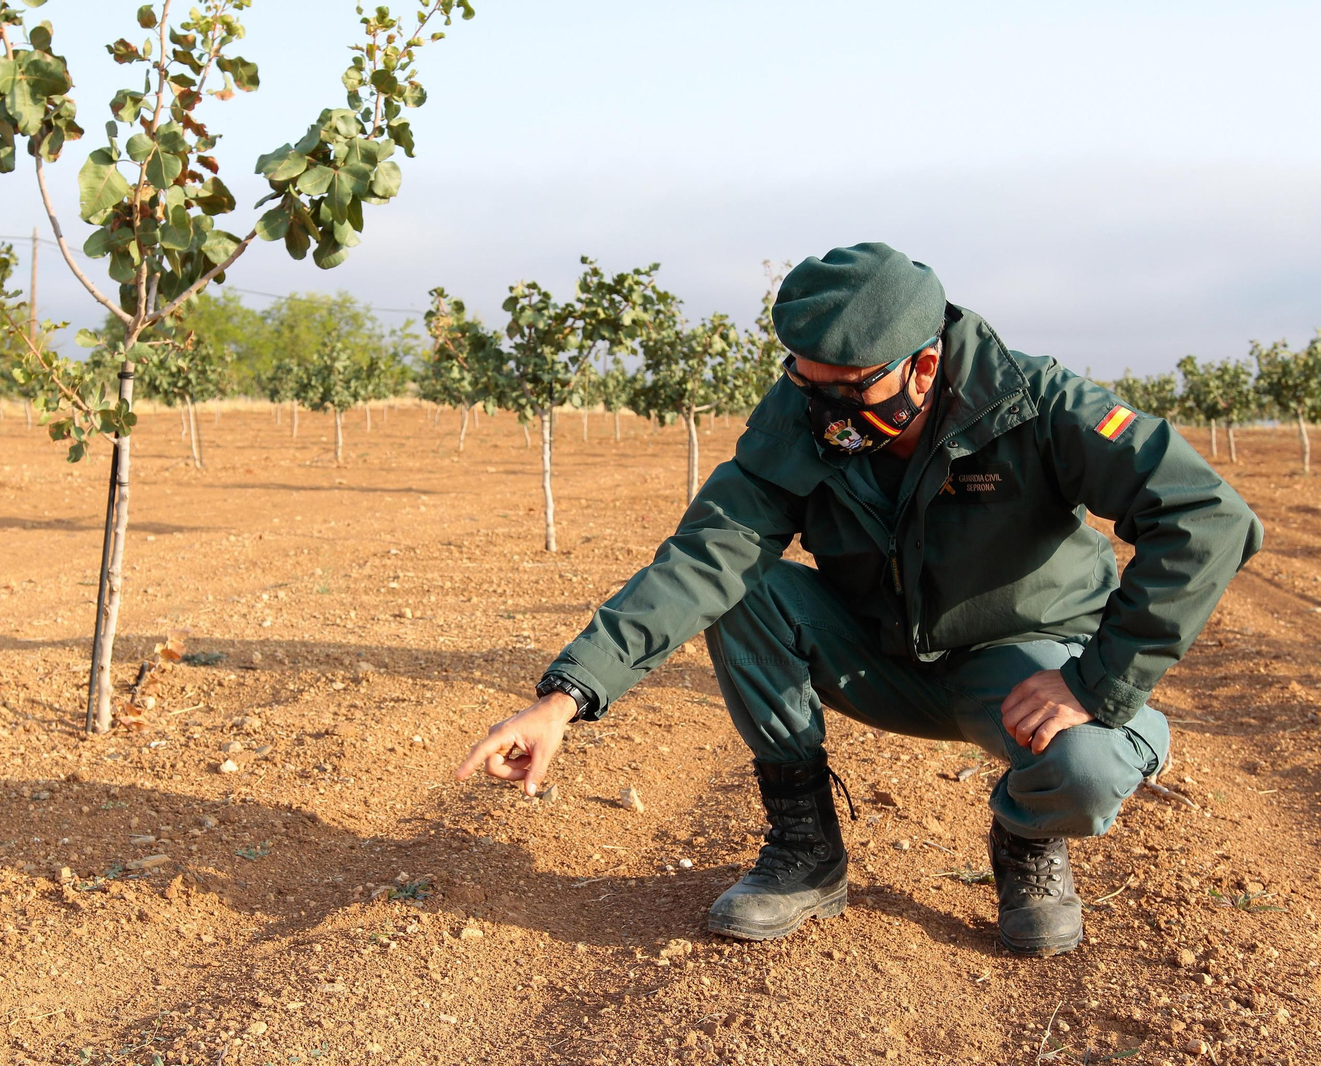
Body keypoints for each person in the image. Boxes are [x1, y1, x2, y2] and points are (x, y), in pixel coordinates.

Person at [455, 243, 1262, 957]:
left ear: (922, 363)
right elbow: (706, 555)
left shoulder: (1037, 405)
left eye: (846, 390)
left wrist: (1095, 683)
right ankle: (806, 850)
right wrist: (564, 699)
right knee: (746, 587)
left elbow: (1208, 518)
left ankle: (1026, 838)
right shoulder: (807, 418)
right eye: (808, 384)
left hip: (1022, 672)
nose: (825, 410)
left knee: (1086, 774)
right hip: (882, 656)